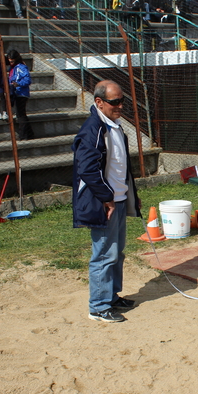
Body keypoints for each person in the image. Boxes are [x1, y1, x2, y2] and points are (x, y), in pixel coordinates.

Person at [72, 80, 142, 323]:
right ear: (99, 102)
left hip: (120, 199)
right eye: (114, 102)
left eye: (122, 101)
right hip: (104, 203)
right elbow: (88, 169)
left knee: (117, 252)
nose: (120, 105)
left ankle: (111, 296)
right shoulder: (92, 128)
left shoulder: (116, 126)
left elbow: (121, 166)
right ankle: (98, 306)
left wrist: (131, 194)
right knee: (103, 254)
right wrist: (107, 198)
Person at [7, 49, 34, 142]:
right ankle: (29, 134)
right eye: (9, 61)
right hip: (15, 92)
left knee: (20, 115)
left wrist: (18, 84)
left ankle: (23, 135)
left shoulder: (21, 67)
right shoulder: (12, 68)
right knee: (21, 114)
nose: (11, 62)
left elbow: (27, 80)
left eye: (12, 61)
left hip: (21, 93)